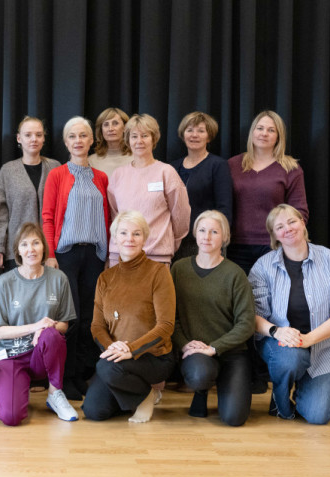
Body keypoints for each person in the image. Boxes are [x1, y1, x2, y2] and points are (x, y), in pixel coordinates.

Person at [249, 204, 330, 424]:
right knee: (291, 358)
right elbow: (253, 315)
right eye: (279, 226)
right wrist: (276, 332)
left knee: (318, 416)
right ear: (274, 235)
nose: (287, 228)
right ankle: (280, 403)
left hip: (322, 347)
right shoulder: (263, 266)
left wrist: (309, 339)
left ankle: (304, 387)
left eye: (292, 221)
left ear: (302, 223)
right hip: (279, 343)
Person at [228, 110, 309, 393]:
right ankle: (244, 373)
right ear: (251, 132)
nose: (264, 133)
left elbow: (300, 212)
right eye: (259, 128)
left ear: (279, 136)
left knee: (272, 310)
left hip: (273, 251)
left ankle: (267, 370)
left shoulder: (290, 168)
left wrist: (284, 237)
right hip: (236, 249)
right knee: (241, 311)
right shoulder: (233, 165)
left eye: (270, 130)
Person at [83, 211, 176, 422]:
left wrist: (131, 350)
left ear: (145, 238)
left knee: (104, 367)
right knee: (94, 411)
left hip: (153, 358)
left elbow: (166, 325)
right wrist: (112, 347)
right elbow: (97, 326)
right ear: (115, 238)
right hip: (117, 359)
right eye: (123, 233)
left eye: (136, 234)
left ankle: (145, 396)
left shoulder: (158, 273)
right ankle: (133, 395)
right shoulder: (105, 278)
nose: (129, 239)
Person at [41, 116, 110, 401]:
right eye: (72, 136)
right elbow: (47, 216)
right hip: (66, 255)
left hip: (94, 255)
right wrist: (49, 253)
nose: (78, 141)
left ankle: (82, 375)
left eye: (83, 135)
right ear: (66, 142)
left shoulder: (102, 177)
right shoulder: (57, 175)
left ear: (92, 140)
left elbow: (108, 218)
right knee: (70, 318)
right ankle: (64, 379)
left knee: (90, 320)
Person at [0, 223, 78, 425]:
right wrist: (36, 326)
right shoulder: (5, 282)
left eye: (36, 243)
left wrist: (46, 329)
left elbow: (63, 325)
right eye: (25, 244)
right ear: (18, 251)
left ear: (43, 247)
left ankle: (55, 393)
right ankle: (18, 389)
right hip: (12, 356)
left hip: (41, 355)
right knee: (11, 417)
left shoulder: (59, 278)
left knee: (52, 334)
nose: (31, 249)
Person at [171, 210, 254, 426]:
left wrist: (215, 347)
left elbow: (246, 323)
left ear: (224, 238)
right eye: (202, 230)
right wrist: (185, 344)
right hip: (195, 351)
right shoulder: (178, 269)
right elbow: (171, 317)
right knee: (200, 374)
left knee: (234, 419)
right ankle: (202, 390)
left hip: (232, 353)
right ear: (195, 234)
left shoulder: (235, 274)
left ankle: (223, 385)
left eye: (214, 232)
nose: (207, 237)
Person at [107, 113, 190, 266]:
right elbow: (114, 215)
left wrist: (169, 241)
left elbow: (181, 215)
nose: (139, 141)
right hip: (120, 256)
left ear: (153, 139)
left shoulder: (166, 172)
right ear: (128, 140)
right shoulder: (118, 175)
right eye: (134, 136)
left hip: (156, 255)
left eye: (144, 135)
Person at [0, 116, 61, 271]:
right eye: (28, 135)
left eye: (38, 134)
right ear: (19, 138)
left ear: (44, 138)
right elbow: (0, 214)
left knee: (47, 295)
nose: (33, 139)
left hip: (49, 251)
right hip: (16, 250)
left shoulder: (55, 168)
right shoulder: (8, 171)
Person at [170, 111, 233, 261]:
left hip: (206, 240)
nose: (194, 135)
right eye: (189, 130)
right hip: (177, 241)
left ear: (209, 136)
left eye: (200, 131)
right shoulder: (172, 167)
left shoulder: (218, 165)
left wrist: (216, 238)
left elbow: (224, 208)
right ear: (183, 134)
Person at [88, 107, 132, 177]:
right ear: (101, 130)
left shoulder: (137, 158)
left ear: (125, 127)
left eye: (115, 123)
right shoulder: (91, 162)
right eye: (106, 125)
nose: (110, 129)